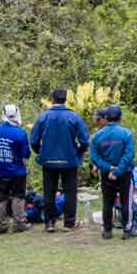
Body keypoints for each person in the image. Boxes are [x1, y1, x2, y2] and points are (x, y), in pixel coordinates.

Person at [30, 88, 90, 233]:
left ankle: (49, 223)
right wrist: (78, 153)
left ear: (52, 100)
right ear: (66, 99)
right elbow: (84, 140)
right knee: (70, 192)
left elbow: (33, 140)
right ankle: (69, 222)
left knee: (49, 192)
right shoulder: (74, 117)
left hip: (48, 161)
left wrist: (41, 152)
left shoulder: (43, 117)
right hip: (69, 160)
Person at [90, 104, 137, 241]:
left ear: (106, 117)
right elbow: (129, 155)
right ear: (120, 117)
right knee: (126, 202)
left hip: (106, 174)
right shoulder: (126, 134)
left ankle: (107, 230)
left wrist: (107, 168)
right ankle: (127, 230)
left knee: (107, 202)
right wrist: (117, 171)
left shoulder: (97, 135)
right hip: (124, 173)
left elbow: (94, 157)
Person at [0, 103, 31, 234]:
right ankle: (19, 223)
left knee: (0, 198)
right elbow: (26, 153)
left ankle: (1, 225)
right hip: (17, 171)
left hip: (0, 170)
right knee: (18, 196)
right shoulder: (20, 133)